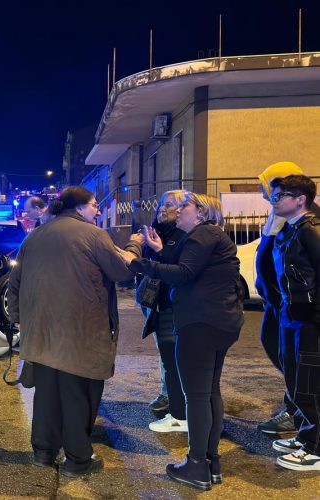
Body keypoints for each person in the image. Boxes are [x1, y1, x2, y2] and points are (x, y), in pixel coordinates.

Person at [8, 186, 143, 477]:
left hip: (40, 331)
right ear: (80, 208)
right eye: (94, 205)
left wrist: (18, 319)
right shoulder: (93, 235)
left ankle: (43, 453)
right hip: (79, 331)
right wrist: (135, 247)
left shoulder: (35, 236)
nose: (97, 210)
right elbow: (122, 271)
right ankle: (78, 458)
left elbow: (14, 282)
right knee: (78, 395)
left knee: (46, 394)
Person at [128, 193, 243, 490]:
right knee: (208, 392)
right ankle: (210, 463)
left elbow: (183, 274)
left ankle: (196, 466)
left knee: (197, 396)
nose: (178, 211)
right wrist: (158, 251)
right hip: (219, 321)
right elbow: (186, 264)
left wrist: (140, 263)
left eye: (185, 206)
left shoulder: (203, 233)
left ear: (202, 212)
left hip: (200, 324)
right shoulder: (208, 236)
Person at [254, 162, 320, 435]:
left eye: (276, 194)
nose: (270, 198)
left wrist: (307, 310)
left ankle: (305, 427)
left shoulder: (307, 225)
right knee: (288, 361)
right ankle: (297, 414)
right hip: (281, 304)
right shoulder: (284, 220)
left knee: (304, 369)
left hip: (300, 310)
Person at [267, 174, 320, 471]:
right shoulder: (289, 231)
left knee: (312, 384)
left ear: (300, 199)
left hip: (309, 321)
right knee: (296, 381)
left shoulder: (311, 231)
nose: (274, 200)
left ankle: (316, 448)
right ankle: (305, 436)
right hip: (291, 317)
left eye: (279, 195)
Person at [140, 190, 189, 427]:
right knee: (165, 352)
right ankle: (170, 396)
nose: (162, 208)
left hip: (175, 304)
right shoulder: (158, 232)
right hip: (156, 300)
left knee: (175, 355)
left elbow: (177, 269)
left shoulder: (185, 235)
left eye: (169, 204)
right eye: (161, 204)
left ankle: (178, 405)